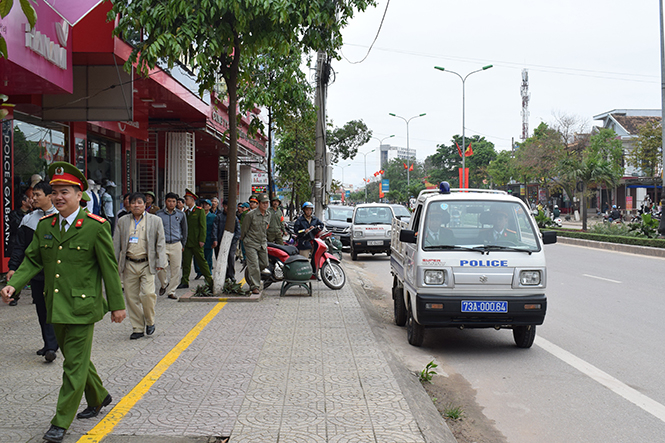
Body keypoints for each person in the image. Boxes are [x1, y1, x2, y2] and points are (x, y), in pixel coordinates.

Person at [1, 161, 126, 443]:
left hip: (83, 307)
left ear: (80, 194)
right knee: (76, 359)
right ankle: (99, 396)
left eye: (65, 191)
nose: (58, 197)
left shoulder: (95, 227)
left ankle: (60, 422)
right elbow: (33, 259)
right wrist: (13, 284)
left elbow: (108, 268)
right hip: (55, 305)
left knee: (72, 366)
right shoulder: (46, 225)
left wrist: (117, 305)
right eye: (55, 191)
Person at [7, 180, 59, 362]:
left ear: (49, 196)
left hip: (57, 273)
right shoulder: (29, 219)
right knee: (41, 309)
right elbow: (19, 246)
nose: (33, 199)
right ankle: (48, 344)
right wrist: (13, 268)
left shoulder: (60, 217)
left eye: (37, 195)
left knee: (55, 307)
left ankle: (53, 344)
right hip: (36, 273)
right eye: (32, 196)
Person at [113, 193, 166, 340]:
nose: (136, 205)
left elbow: (160, 242)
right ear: (129, 205)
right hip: (129, 263)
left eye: (139, 202)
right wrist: (114, 263)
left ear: (145, 205)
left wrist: (161, 262)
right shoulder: (122, 221)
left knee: (148, 294)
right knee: (131, 298)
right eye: (133, 203)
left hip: (147, 263)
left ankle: (150, 321)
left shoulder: (155, 220)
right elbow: (116, 243)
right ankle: (137, 327)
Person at [155, 192, 188, 299]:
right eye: (169, 201)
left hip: (176, 243)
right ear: (165, 201)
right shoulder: (158, 214)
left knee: (176, 269)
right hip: (162, 244)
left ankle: (171, 291)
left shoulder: (181, 214)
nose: (171, 203)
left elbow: (184, 230)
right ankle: (164, 284)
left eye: (174, 201)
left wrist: (182, 244)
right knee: (161, 267)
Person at [178, 189, 213, 289]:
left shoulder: (199, 211)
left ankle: (209, 279)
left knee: (202, 261)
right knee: (186, 263)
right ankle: (184, 281)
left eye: (187, 199)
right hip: (187, 242)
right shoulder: (185, 212)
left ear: (192, 199)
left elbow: (203, 226)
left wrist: (202, 239)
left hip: (197, 241)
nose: (185, 201)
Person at [240, 193, 271, 294]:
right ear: (259, 204)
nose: (265, 205)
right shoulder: (250, 215)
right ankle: (255, 286)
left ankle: (253, 272)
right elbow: (244, 229)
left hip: (262, 243)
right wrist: (243, 241)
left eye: (267, 203)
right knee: (254, 266)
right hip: (250, 243)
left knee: (265, 263)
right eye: (263, 203)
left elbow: (266, 229)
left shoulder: (268, 214)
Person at [7, 194, 32, 305]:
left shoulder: (34, 214)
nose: (32, 200)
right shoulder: (15, 214)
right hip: (20, 245)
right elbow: (15, 226)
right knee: (19, 271)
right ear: (23, 202)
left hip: (30, 246)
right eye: (29, 199)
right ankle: (13, 296)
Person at [212, 198, 241, 282]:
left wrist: (234, 240)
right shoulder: (219, 217)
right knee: (220, 259)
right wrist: (215, 239)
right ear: (223, 206)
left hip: (231, 242)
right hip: (220, 241)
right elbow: (215, 229)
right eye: (226, 206)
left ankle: (231, 275)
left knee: (230, 258)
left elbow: (238, 230)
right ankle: (222, 275)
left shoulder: (234, 218)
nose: (227, 207)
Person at [194, 199, 215, 279]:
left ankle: (208, 272)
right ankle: (199, 272)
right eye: (203, 204)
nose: (205, 206)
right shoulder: (198, 214)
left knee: (208, 257)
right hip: (198, 239)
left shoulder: (213, 217)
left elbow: (214, 229)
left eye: (207, 204)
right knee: (197, 257)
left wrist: (214, 239)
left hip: (209, 239)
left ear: (210, 206)